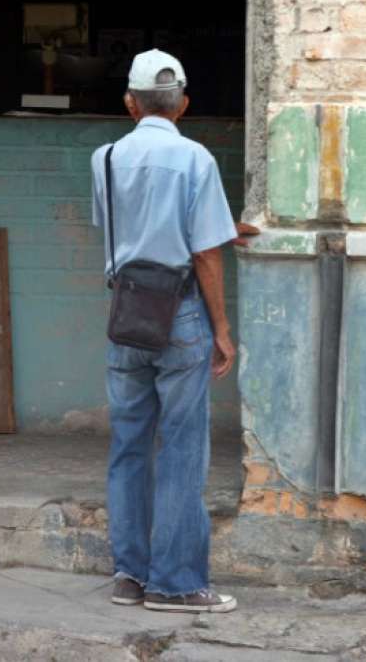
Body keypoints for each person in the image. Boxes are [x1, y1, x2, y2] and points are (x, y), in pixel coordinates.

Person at [90, 49, 256, 613]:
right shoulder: (196, 159)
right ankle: (178, 584)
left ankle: (130, 576)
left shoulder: (105, 158)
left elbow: (130, 228)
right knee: (184, 449)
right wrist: (222, 328)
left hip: (126, 316)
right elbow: (205, 253)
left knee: (129, 446)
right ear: (183, 105)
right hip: (181, 314)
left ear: (130, 104)